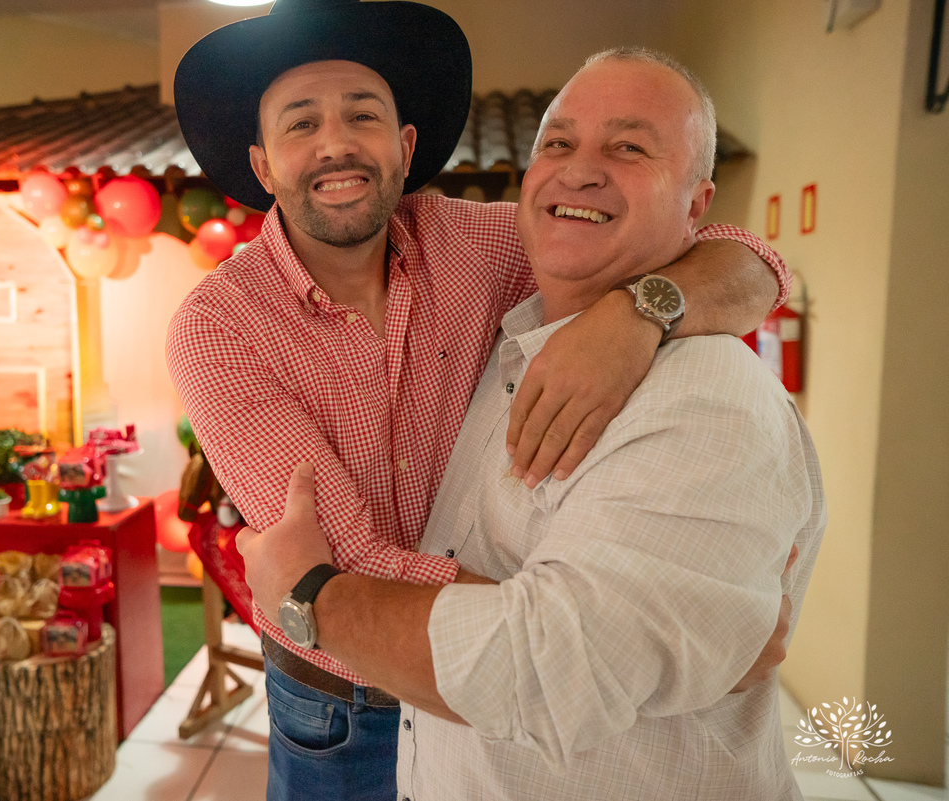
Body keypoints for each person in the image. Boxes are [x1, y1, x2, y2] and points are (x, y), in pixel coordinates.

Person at [168, 2, 793, 798]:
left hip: (493, 716)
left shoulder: (480, 244)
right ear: (263, 166)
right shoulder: (219, 328)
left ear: (404, 147)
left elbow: (751, 261)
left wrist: (638, 312)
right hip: (344, 701)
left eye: (362, 114)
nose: (334, 143)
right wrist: (610, 634)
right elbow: (341, 561)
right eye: (300, 124)